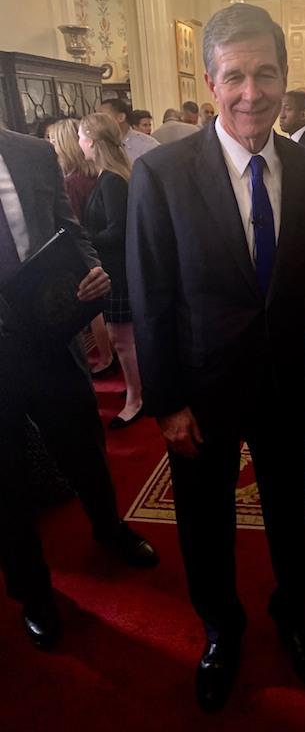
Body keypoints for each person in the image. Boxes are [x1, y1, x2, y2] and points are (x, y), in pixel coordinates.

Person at [127, 2, 305, 711]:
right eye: (235, 75)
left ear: (284, 76)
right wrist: (167, 402)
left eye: (266, 73)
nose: (253, 92)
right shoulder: (163, 176)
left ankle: (295, 619)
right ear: (212, 82)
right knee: (204, 520)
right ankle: (221, 629)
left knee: (290, 513)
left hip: (281, 384)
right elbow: (150, 296)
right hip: (201, 391)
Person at [0, 128, 158, 650]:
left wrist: (91, 268)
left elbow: (73, 234)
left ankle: (109, 528)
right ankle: (33, 592)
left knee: (84, 449)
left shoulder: (32, 152)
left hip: (52, 337)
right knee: (6, 480)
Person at [79, 113, 144, 428]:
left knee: (123, 339)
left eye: (81, 136)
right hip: (117, 269)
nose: (79, 144)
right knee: (125, 339)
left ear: (91, 140)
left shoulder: (112, 180)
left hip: (119, 271)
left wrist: (83, 237)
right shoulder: (109, 176)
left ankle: (136, 399)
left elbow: (119, 230)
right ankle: (137, 389)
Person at [48, 118, 113, 376]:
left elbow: (72, 224)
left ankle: (106, 356)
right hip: (99, 247)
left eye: (53, 140)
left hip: (88, 250)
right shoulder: (91, 173)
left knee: (93, 307)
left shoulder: (71, 182)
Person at [99, 98, 159, 163]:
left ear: (121, 117)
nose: (98, 122)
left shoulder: (148, 146)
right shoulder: (98, 145)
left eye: (102, 117)